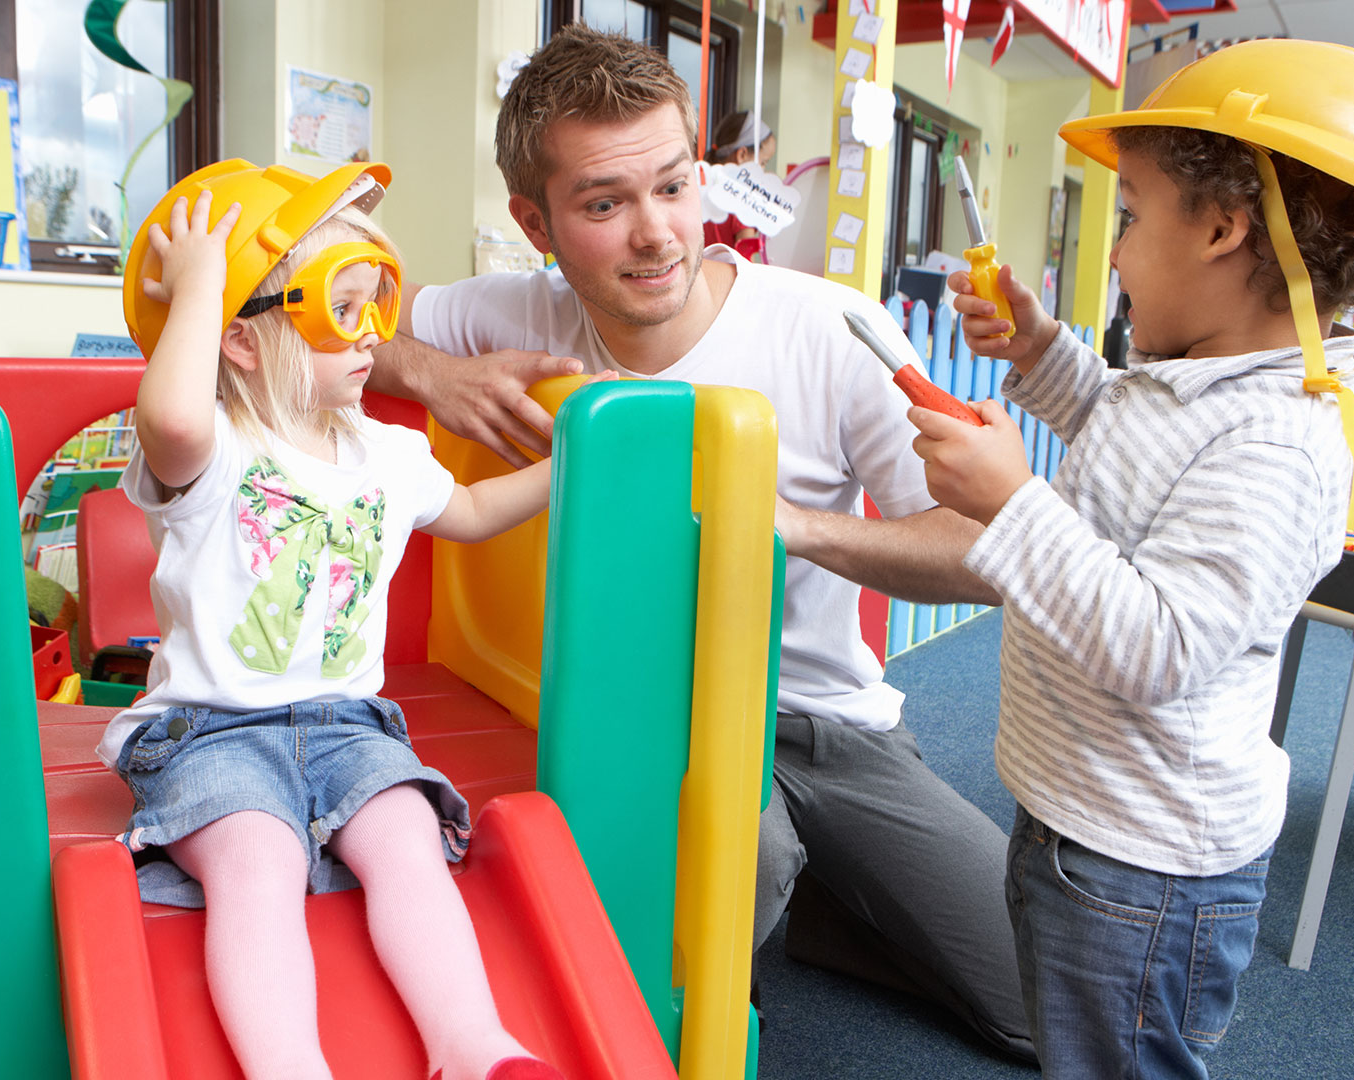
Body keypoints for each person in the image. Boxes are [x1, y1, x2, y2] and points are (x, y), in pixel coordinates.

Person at [371, 24, 1035, 1061]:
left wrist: (791, 527)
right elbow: (299, 326)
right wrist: (425, 370)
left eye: (674, 187)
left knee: (1036, 1006)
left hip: (825, 723)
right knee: (730, 880)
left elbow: (989, 554)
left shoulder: (831, 331)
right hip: (642, 724)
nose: (658, 235)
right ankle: (774, 898)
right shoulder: (505, 310)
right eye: (604, 204)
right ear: (533, 221)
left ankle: (815, 898)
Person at [909, 40, 1354, 1079]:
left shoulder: (1277, 443)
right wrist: (1036, 353)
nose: (1112, 251)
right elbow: (1119, 432)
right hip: (1087, 823)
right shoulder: (1194, 378)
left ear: (1220, 227)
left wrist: (1011, 504)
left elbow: (1160, 647)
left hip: (1142, 869)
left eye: (1131, 214)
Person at [109, 159, 573, 1080]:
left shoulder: (388, 454)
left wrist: (579, 457)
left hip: (347, 725)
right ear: (242, 341)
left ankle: (473, 1048)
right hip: (209, 735)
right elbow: (168, 410)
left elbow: (472, 517)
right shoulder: (214, 450)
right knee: (258, 857)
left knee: (406, 839)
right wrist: (205, 283)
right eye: (341, 309)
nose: (372, 337)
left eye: (381, 301)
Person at [703, 109, 777, 262]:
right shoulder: (742, 201)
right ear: (742, 155)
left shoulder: (700, 190)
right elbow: (746, 261)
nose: (763, 170)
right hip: (727, 283)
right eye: (762, 163)